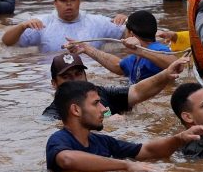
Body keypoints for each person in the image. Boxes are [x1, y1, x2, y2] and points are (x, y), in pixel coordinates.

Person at [45, 80, 203, 172]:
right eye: (96, 103)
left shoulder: (103, 142)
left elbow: (148, 152)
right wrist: (125, 165)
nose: (104, 109)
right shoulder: (59, 139)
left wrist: (179, 138)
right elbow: (67, 159)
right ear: (75, 110)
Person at [41, 49, 185, 120]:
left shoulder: (101, 93)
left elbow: (137, 92)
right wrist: (105, 122)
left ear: (86, 76)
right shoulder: (53, 114)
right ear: (54, 83)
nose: (74, 81)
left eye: (78, 74)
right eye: (66, 77)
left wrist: (166, 74)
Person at [2, 0, 126, 59]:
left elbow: (130, 36)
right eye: (63, 0)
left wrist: (126, 20)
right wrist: (21, 26)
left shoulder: (97, 22)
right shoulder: (41, 24)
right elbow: (6, 42)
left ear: (79, 1)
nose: (69, 4)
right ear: (55, 3)